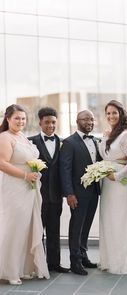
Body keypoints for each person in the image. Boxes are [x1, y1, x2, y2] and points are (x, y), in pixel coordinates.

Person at [0, 104, 49, 285]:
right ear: (7, 119)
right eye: (16, 118)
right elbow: (2, 163)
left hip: (29, 188)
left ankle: (24, 268)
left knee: (26, 228)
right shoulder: (4, 138)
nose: (20, 121)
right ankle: (9, 271)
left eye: (23, 118)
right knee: (13, 228)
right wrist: (25, 175)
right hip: (14, 188)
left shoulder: (21, 136)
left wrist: (35, 172)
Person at [98, 100, 127, 274]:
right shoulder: (108, 134)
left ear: (121, 114)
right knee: (108, 218)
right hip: (107, 181)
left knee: (120, 219)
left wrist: (117, 175)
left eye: (114, 113)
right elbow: (104, 157)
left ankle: (123, 262)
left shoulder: (126, 135)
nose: (111, 116)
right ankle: (109, 259)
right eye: (108, 113)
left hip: (121, 181)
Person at [28, 107, 69, 273]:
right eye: (47, 122)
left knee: (54, 230)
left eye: (53, 122)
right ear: (40, 123)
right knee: (38, 231)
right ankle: (39, 264)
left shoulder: (63, 143)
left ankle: (54, 264)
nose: (50, 125)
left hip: (56, 196)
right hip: (37, 194)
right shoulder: (30, 142)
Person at [59, 110, 99, 276]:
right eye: (86, 119)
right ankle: (74, 261)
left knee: (87, 224)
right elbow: (65, 170)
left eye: (92, 119)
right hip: (77, 193)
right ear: (77, 121)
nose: (89, 122)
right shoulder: (69, 142)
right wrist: (69, 194)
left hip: (94, 191)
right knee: (76, 226)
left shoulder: (96, 141)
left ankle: (83, 255)